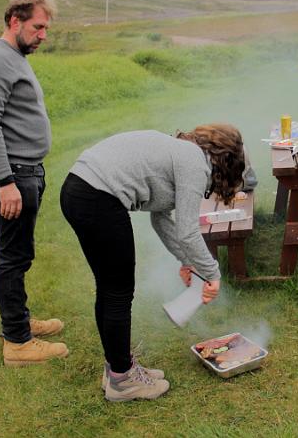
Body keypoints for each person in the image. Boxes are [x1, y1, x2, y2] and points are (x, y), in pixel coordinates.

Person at [60, 125, 246, 402]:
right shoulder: (195, 162)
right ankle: (123, 381)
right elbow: (188, 231)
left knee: (110, 288)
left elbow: (161, 219)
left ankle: (117, 369)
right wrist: (212, 273)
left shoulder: (183, 154)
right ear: (224, 163)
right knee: (118, 292)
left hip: (80, 190)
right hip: (98, 197)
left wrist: (186, 261)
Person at [0, 0, 69, 367]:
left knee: (20, 254)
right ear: (15, 20)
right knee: (13, 257)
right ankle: (17, 342)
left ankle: (20, 321)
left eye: (46, 29)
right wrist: (6, 181)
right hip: (12, 173)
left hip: (25, 170)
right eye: (39, 27)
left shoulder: (12, 55)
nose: (43, 36)